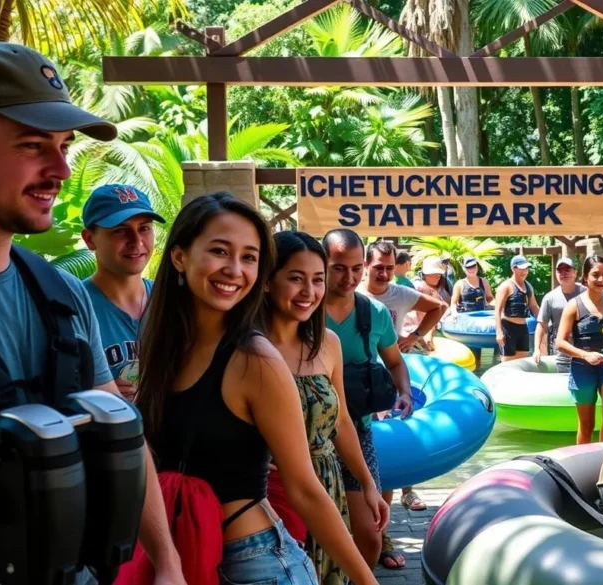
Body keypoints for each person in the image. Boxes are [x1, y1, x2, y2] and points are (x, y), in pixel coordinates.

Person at [0, 42, 184, 584]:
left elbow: (120, 427)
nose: (61, 170)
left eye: (64, 146)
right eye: (32, 146)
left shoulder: (63, 297)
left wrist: (166, 563)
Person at [136, 193, 377, 585]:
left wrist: (367, 581)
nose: (235, 269)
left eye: (249, 257)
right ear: (179, 256)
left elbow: (305, 490)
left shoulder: (255, 358)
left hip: (253, 565)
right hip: (180, 552)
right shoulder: (163, 344)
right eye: (220, 251)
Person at [263, 231, 390, 584]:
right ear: (267, 282)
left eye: (317, 280)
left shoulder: (327, 343)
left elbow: (343, 422)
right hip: (271, 488)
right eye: (295, 278)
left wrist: (367, 483)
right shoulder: (247, 346)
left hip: (327, 475)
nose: (309, 292)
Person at [322, 229, 414, 570]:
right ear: (324, 265)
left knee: (370, 535)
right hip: (305, 435)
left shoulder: (374, 312)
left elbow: (394, 361)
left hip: (357, 431)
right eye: (338, 268)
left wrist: (403, 392)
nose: (349, 277)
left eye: (356, 268)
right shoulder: (302, 307)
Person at [359, 241, 446, 559]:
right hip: (353, 381)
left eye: (389, 267)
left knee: (384, 460)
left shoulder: (400, 295)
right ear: (366, 266)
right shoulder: (353, 292)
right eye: (378, 267)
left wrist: (414, 337)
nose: (384, 273)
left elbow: (438, 307)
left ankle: (384, 538)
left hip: (386, 382)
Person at [81, 183, 165, 401]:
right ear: (90, 239)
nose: (136, 241)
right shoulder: (75, 306)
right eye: (120, 230)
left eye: (144, 228)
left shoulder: (168, 299)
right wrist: (98, 392)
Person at [554, 256, 603, 445]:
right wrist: (585, 355)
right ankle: (583, 462)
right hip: (583, 370)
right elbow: (560, 343)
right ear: (585, 278)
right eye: (595, 275)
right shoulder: (574, 306)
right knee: (587, 425)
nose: (601, 280)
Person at [533, 257, 585, 373]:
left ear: (575, 272)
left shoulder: (586, 293)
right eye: (560, 270)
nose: (563, 273)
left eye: (567, 269)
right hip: (562, 353)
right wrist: (536, 349)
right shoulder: (550, 298)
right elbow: (541, 325)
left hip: (585, 350)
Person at [494, 255, 540, 362]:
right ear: (513, 268)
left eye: (526, 268)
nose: (524, 271)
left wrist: (545, 321)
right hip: (508, 329)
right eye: (521, 269)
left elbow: (534, 306)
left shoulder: (528, 286)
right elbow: (497, 311)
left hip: (523, 329)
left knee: (521, 363)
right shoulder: (506, 286)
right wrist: (499, 332)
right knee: (507, 364)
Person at [408, 257, 451, 351]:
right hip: (420, 328)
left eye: (438, 275)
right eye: (432, 275)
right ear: (424, 275)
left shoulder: (444, 287)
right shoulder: (417, 287)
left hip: (441, 328)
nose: (436, 277)